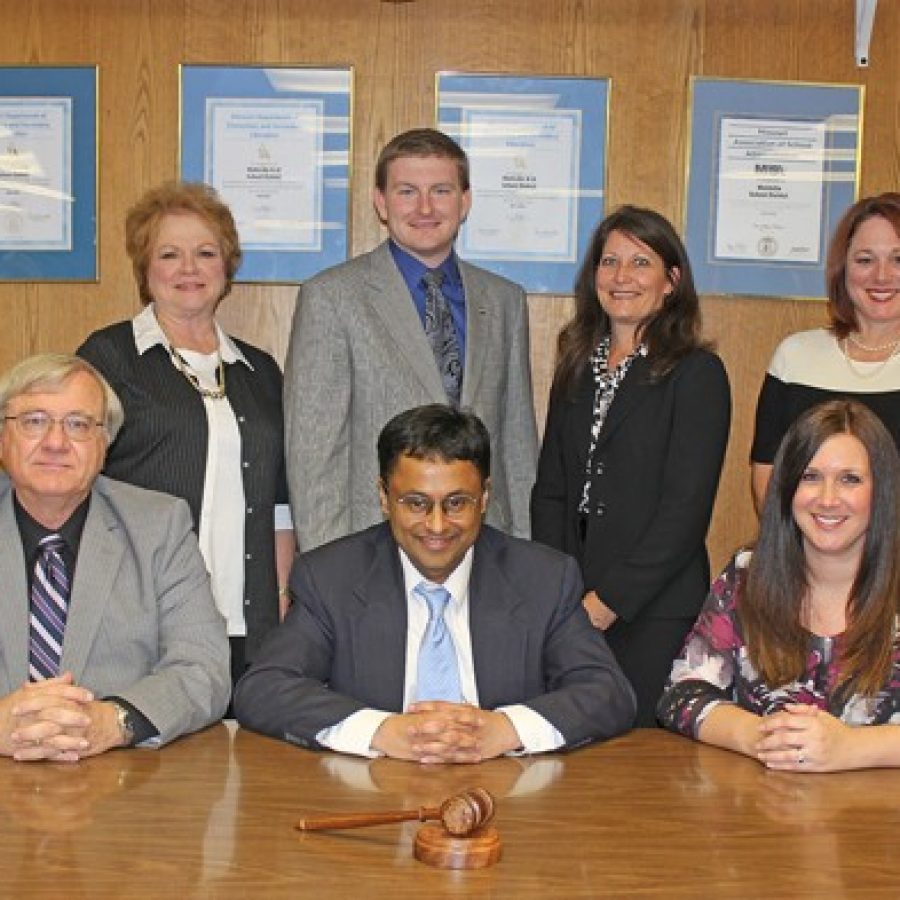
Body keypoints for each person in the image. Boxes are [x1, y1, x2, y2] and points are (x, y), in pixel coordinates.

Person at [234, 404, 635, 763]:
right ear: (384, 497)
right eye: (416, 503)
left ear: (485, 497)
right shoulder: (331, 578)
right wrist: (381, 731)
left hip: (507, 799)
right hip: (372, 801)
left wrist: (505, 729)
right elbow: (264, 688)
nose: (437, 525)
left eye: (457, 502)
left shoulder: (543, 578)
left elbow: (608, 691)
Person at [77, 182, 293, 687]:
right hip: (144, 617)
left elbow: (280, 502)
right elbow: (77, 487)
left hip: (249, 625)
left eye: (205, 253)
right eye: (170, 254)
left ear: (227, 266)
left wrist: (283, 597)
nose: (189, 269)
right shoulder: (108, 358)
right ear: (146, 270)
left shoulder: (260, 371)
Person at [283, 128, 538, 551]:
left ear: (465, 200)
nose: (424, 207)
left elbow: (518, 445)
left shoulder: (505, 300)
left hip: (484, 550)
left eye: (441, 190)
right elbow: (314, 453)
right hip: (374, 550)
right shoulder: (331, 297)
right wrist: (330, 570)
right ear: (381, 202)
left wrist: (522, 553)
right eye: (406, 191)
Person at [530, 205, 731, 727]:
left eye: (641, 262)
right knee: (568, 739)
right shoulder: (576, 365)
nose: (622, 277)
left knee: (638, 757)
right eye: (609, 261)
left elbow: (684, 513)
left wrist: (607, 603)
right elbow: (551, 490)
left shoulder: (697, 374)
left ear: (671, 281)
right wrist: (561, 593)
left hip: (652, 610)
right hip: (573, 603)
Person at [0, 354, 230, 762]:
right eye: (34, 421)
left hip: (122, 784)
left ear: (106, 443)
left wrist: (114, 721)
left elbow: (203, 669)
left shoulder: (159, 526)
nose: (55, 443)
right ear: (3, 436)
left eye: (78, 425)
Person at [659, 400, 900, 773]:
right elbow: (682, 694)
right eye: (810, 476)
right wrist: (762, 737)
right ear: (787, 488)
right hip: (759, 816)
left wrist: (850, 748)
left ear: (881, 490)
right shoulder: (746, 576)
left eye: (850, 479)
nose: (828, 499)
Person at [751, 192, 900, 512]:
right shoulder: (796, 358)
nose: (882, 275)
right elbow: (768, 486)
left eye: (898, 259)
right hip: (807, 558)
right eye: (865, 259)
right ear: (842, 269)